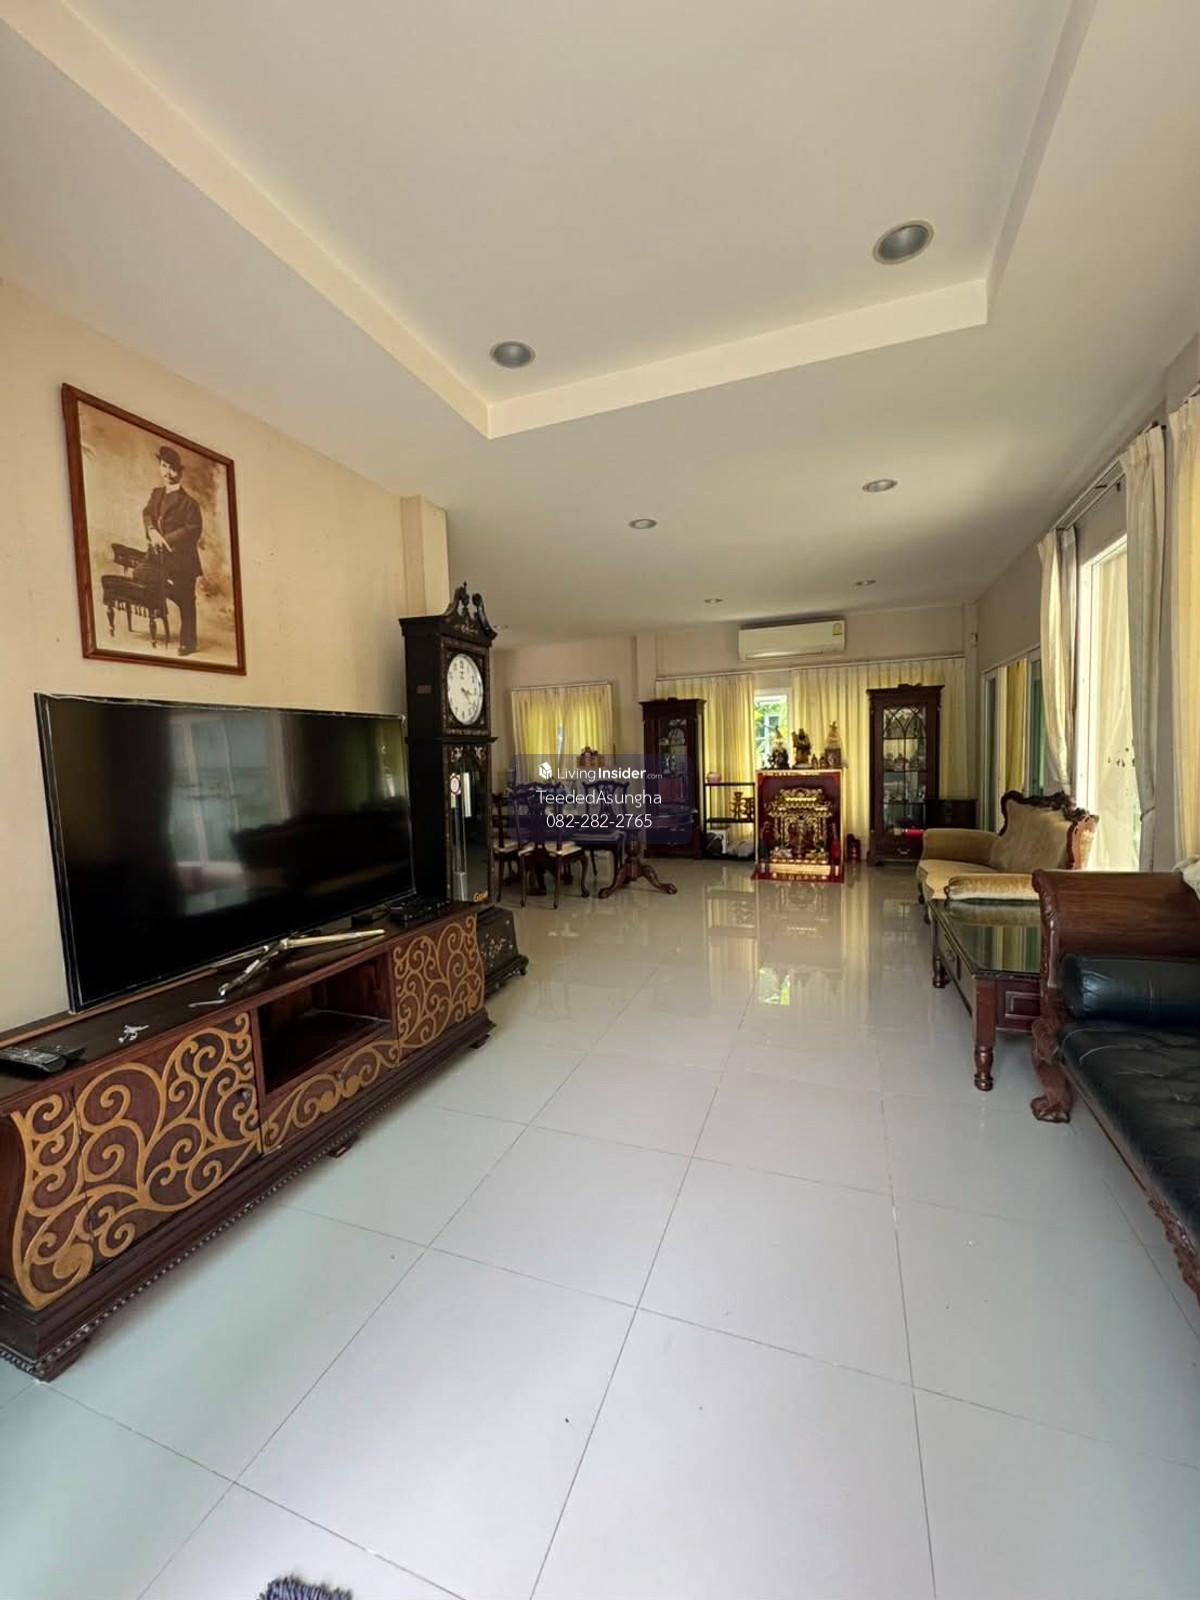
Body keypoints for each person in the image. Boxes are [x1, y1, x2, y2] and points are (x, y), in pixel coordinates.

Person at [135, 444, 203, 655]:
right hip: (158, 556)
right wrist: (152, 531)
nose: (167, 472)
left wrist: (166, 539)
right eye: (164, 466)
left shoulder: (189, 503)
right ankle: (169, 591)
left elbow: (193, 529)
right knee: (140, 573)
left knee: (186, 603)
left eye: (172, 468)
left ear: (179, 472)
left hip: (182, 560)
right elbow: (147, 513)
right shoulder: (156, 493)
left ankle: (188, 643)